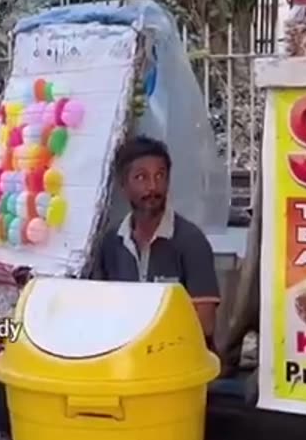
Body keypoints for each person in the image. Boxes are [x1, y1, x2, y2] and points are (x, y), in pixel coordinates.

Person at [91, 136, 221, 342]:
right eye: (141, 177)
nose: (153, 187)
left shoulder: (190, 240)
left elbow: (205, 325)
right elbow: (100, 314)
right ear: (123, 185)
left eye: (160, 176)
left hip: (179, 361)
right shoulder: (111, 242)